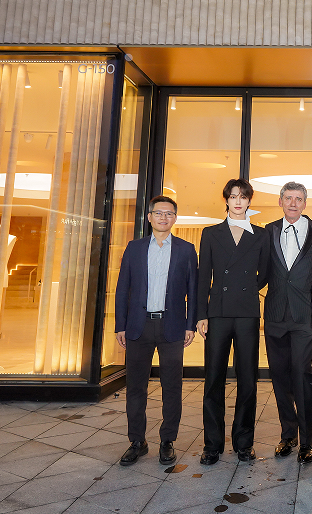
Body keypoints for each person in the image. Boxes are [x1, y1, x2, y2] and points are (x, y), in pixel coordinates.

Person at [115, 195, 198, 467]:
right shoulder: (134, 248)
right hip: (138, 326)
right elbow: (122, 288)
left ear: (175, 218)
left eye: (169, 213)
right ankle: (137, 441)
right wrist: (120, 325)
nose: (164, 217)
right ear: (149, 217)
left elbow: (193, 291)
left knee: (172, 386)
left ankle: (167, 441)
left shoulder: (186, 250)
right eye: (159, 213)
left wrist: (190, 324)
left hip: (171, 326)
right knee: (135, 387)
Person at [195, 178, 270, 465]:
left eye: (243, 197)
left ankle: (244, 442)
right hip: (218, 312)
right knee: (213, 378)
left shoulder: (260, 235)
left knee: (248, 379)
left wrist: (248, 290)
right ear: (226, 200)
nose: (238, 201)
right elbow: (204, 276)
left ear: (249, 201)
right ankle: (212, 445)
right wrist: (201, 314)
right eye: (233, 196)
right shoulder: (211, 233)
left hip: (247, 312)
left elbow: (266, 272)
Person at [263, 182, 312, 464]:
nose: (293, 203)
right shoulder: (268, 231)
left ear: (305, 203)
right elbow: (261, 270)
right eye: (288, 198)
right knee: (279, 377)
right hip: (275, 315)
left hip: (304, 316)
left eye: (298, 199)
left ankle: (308, 439)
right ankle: (288, 435)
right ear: (280, 202)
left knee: (301, 374)